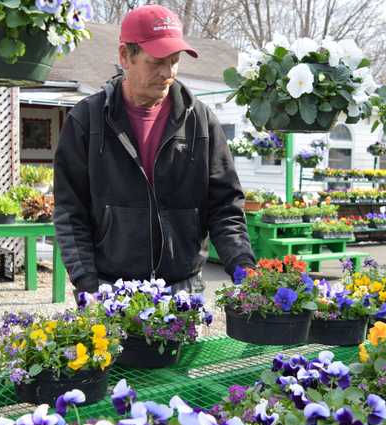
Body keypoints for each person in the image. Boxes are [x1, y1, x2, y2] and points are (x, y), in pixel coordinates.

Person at [53, 4, 255, 296]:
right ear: (125, 56)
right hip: (110, 289)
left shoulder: (201, 121)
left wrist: (244, 270)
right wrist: (87, 284)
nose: (167, 73)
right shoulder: (86, 120)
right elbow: (70, 212)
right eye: (156, 61)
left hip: (183, 287)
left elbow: (225, 206)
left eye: (174, 61)